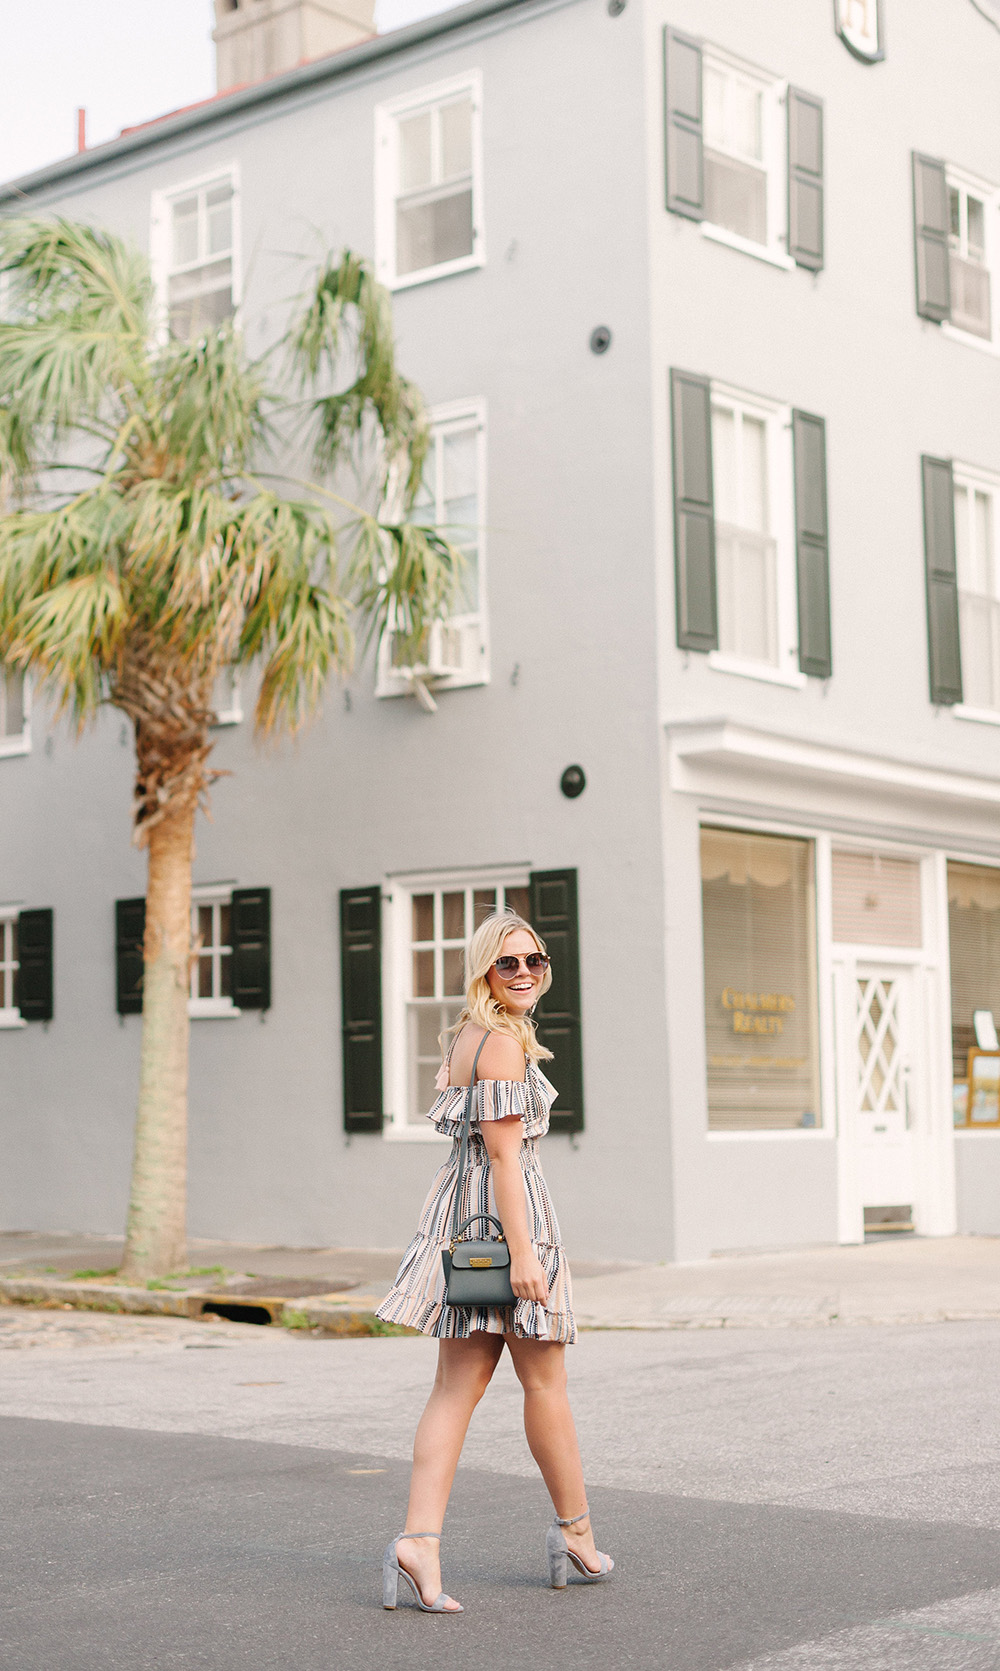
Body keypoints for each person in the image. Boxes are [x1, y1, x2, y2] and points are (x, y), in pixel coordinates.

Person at [377, 909, 614, 1614]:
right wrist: (524, 1256)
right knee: (544, 1383)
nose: (523, 972)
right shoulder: (503, 1045)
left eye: (534, 960)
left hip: (462, 1221)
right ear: (484, 970)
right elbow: (507, 1159)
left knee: (455, 1387)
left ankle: (419, 1540)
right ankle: (575, 1532)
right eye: (507, 962)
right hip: (508, 1224)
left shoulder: (467, 1037)